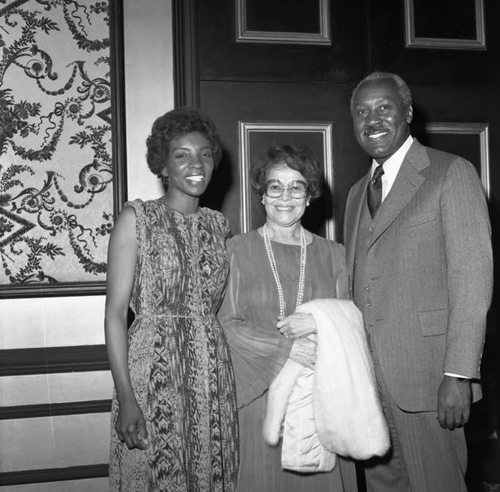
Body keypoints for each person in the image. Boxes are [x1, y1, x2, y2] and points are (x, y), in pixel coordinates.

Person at [344, 71, 493, 492]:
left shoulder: (451, 173)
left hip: (430, 380)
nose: (372, 119)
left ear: (408, 112)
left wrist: (459, 375)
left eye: (384, 107)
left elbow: (473, 279)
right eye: (361, 111)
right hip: (370, 384)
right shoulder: (357, 193)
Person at [105, 107, 238, 491]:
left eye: (205, 154)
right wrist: (127, 397)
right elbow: (114, 315)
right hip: (153, 375)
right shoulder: (136, 218)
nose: (196, 164)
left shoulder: (218, 225)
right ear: (163, 165)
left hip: (212, 376)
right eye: (182, 155)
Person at [218, 144, 358, 491]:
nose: (285, 196)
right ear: (262, 196)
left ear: (309, 196)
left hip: (319, 397)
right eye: (274, 186)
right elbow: (226, 324)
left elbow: (355, 325)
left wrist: (322, 322)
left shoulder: (333, 254)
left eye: (296, 186)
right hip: (259, 398)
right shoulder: (236, 250)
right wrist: (285, 349)